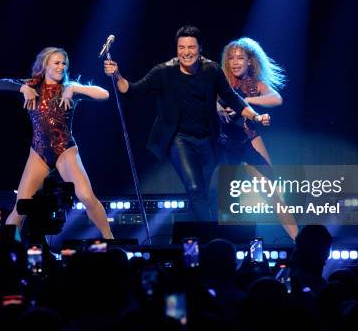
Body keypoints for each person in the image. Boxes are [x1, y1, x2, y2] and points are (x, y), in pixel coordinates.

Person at [103, 25, 270, 221]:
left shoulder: (212, 70)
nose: (186, 52)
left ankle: (205, 235)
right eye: (181, 47)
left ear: (200, 49)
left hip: (209, 139)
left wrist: (256, 117)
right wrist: (117, 75)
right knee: (194, 187)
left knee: (207, 191)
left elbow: (233, 98)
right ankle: (207, 236)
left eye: (191, 47)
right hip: (180, 140)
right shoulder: (163, 72)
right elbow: (132, 91)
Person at [0, 47, 113, 239]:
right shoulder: (32, 86)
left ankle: (110, 241)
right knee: (21, 206)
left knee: (87, 197)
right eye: (56, 63)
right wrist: (22, 88)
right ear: (45, 65)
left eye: (64, 63)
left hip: (65, 150)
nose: (61, 67)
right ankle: (8, 250)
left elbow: (104, 94)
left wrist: (74, 88)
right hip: (39, 151)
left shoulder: (69, 88)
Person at [218, 37, 298, 239]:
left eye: (240, 58)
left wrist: (245, 101)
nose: (235, 62)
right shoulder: (220, 81)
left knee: (271, 193)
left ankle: (299, 241)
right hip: (222, 141)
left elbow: (276, 99)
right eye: (231, 58)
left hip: (248, 137)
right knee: (218, 194)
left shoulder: (255, 85)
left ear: (249, 61)